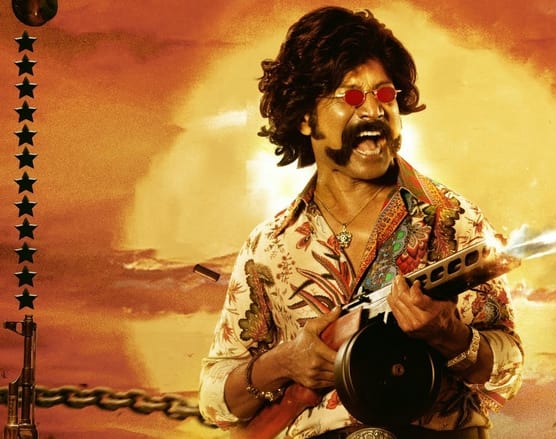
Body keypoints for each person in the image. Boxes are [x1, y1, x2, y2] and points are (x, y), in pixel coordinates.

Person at [199, 6, 524, 439]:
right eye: (350, 97)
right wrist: (283, 363)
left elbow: (508, 369)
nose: (373, 110)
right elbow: (214, 400)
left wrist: (450, 335)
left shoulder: (453, 219)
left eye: (385, 94)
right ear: (305, 117)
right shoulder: (269, 246)